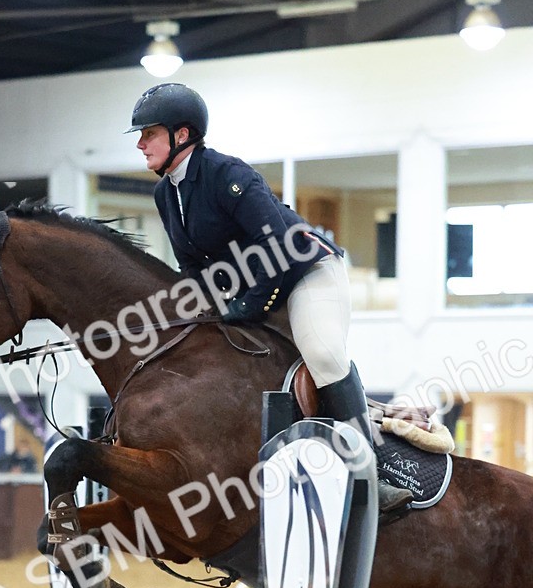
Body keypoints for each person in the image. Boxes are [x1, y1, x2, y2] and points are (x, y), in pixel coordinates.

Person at [128, 82, 411, 513]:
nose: (141, 143)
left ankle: (371, 470)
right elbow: (193, 267)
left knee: (321, 351)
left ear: (181, 135)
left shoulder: (229, 176)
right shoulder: (166, 193)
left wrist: (251, 305)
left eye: (149, 133)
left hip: (306, 273)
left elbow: (277, 246)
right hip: (253, 287)